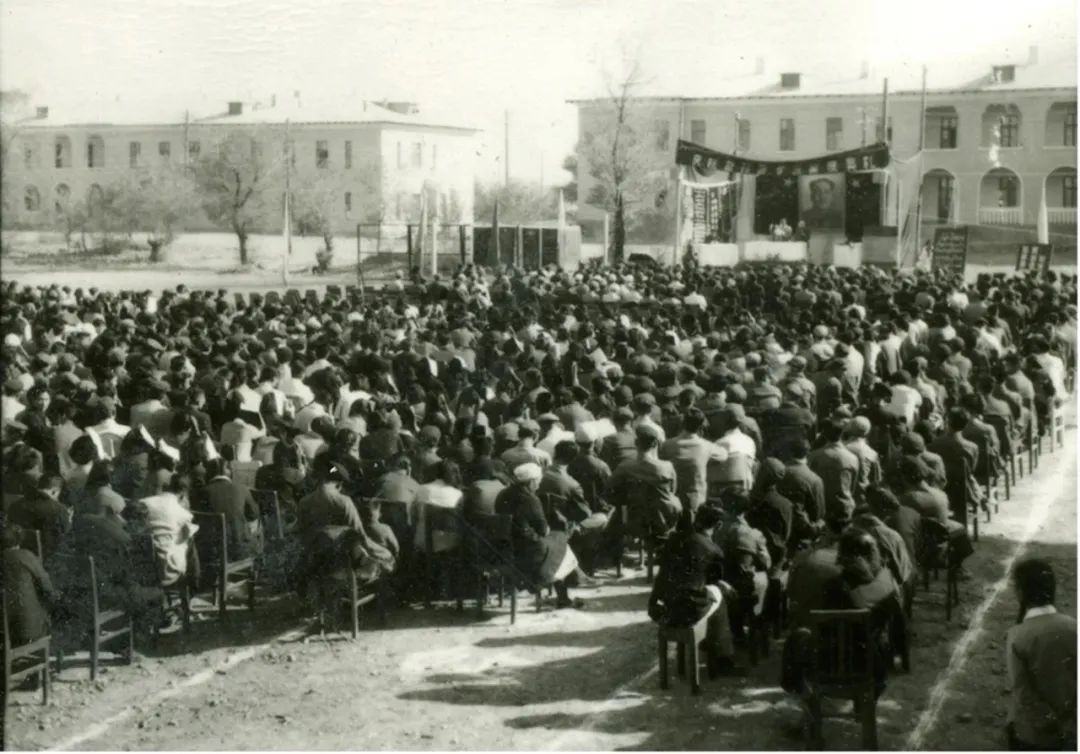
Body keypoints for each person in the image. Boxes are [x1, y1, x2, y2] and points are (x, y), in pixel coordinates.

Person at [648, 505, 740, 676]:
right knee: (719, 597)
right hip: (688, 612)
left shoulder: (673, 540)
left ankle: (711, 645)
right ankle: (723, 658)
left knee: (705, 593)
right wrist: (722, 585)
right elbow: (712, 580)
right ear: (718, 525)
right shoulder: (714, 549)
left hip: (663, 608)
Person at [1005, 558, 1076, 750]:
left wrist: (1051, 722)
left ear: (1021, 592)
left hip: (1033, 734)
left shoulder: (1017, 636)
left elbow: (1022, 691)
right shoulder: (1074, 627)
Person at [494, 462, 581, 609]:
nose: (540, 483)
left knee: (557, 541)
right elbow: (543, 531)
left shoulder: (502, 494)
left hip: (504, 549)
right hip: (527, 553)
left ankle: (570, 586)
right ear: (532, 481)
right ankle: (564, 596)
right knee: (561, 540)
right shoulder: (530, 499)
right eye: (539, 480)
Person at [2, 523, 57, 647]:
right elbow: (47, 587)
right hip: (26, 631)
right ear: (20, 539)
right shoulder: (26, 556)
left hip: (4, 631)